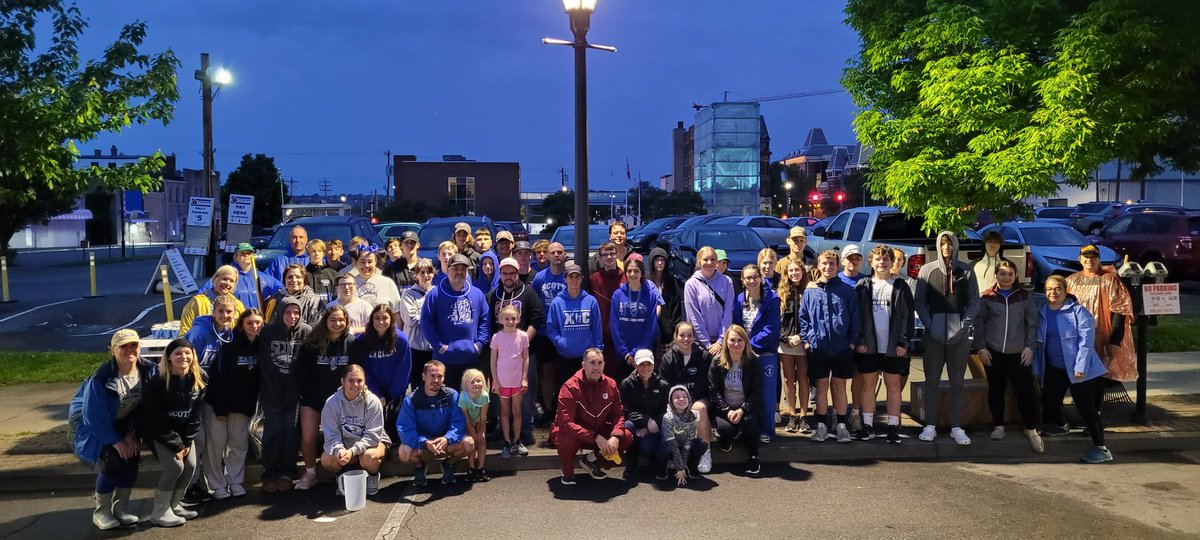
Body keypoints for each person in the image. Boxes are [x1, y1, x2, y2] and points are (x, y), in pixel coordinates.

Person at [70, 329, 154, 530]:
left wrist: (132, 433)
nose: (129, 350)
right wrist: (116, 440)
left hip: (123, 419)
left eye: (133, 345)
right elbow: (93, 417)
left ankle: (121, 508)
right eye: (122, 346)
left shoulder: (148, 370)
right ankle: (101, 512)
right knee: (112, 461)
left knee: (131, 460)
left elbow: (145, 406)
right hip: (94, 422)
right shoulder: (101, 379)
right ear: (112, 350)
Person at [1037, 275, 1113, 464]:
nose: (1053, 293)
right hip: (1055, 367)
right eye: (1049, 289)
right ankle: (1061, 426)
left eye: (1058, 289)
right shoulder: (1042, 311)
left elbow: (1085, 343)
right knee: (1049, 400)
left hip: (1082, 369)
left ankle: (1101, 448)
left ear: (1065, 290)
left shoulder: (1079, 312)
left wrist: (1080, 367)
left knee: (1087, 409)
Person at [914, 232, 979, 445]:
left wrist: (963, 325)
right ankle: (930, 425)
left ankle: (956, 427)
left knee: (957, 382)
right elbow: (920, 302)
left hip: (959, 335)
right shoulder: (927, 270)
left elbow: (973, 302)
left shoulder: (966, 270)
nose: (946, 248)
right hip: (933, 333)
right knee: (931, 381)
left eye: (950, 244)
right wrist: (929, 324)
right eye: (943, 244)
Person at [974, 259, 1043, 452]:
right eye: (1002, 274)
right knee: (996, 390)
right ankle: (998, 426)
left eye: (1010, 274)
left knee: (1025, 392)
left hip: (1019, 353)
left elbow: (1032, 323)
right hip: (993, 353)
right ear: (996, 275)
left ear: (1015, 275)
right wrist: (981, 348)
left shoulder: (1024, 296)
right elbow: (978, 324)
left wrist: (1030, 347)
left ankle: (1031, 429)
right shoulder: (987, 297)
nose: (1006, 278)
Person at [141, 338, 206, 527]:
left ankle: (174, 505)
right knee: (174, 467)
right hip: (160, 431)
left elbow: (195, 414)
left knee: (191, 465)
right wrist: (175, 444)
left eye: (187, 352)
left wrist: (186, 441)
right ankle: (159, 511)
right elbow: (154, 418)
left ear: (193, 356)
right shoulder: (157, 382)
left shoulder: (200, 377)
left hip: (183, 432)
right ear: (168, 358)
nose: (183, 357)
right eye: (177, 353)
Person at [853, 246, 915, 443]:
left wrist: (903, 342)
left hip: (892, 347)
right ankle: (869, 425)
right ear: (871, 262)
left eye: (886, 259)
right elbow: (856, 317)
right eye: (878, 259)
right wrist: (860, 341)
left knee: (893, 386)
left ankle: (892, 427)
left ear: (891, 262)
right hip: (869, 347)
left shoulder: (900, 286)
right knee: (868, 386)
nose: (882, 262)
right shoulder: (863, 285)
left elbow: (907, 317)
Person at [800, 249, 861, 443]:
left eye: (832, 264)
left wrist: (852, 342)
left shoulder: (846, 291)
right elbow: (804, 318)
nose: (828, 267)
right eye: (824, 264)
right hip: (818, 347)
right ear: (818, 265)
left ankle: (842, 425)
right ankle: (821, 426)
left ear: (837, 266)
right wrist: (808, 341)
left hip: (842, 347)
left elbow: (855, 318)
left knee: (839, 386)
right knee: (821, 386)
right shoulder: (810, 291)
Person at [551, 349, 634, 485]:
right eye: (592, 363)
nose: (596, 367)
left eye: (600, 363)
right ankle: (567, 472)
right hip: (575, 434)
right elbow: (565, 423)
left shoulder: (611, 384)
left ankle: (592, 460)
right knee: (564, 440)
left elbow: (618, 414)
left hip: (598, 431)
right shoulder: (570, 387)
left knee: (627, 436)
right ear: (583, 365)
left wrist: (616, 436)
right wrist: (595, 436)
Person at [204, 309, 263, 500]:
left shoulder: (262, 345)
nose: (254, 326)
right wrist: (221, 408)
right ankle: (216, 485)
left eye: (258, 323)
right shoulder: (230, 344)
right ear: (241, 324)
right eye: (249, 323)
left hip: (243, 406)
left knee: (238, 444)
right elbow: (219, 378)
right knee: (216, 446)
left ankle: (235, 481)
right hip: (219, 404)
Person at [294, 305, 353, 490]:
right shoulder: (311, 343)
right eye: (333, 320)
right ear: (325, 321)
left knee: (342, 437)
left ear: (346, 322)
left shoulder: (351, 342)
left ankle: (340, 473)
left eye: (341, 320)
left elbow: (355, 372)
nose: (337, 323)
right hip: (313, 399)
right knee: (308, 437)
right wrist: (312, 398)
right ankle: (310, 473)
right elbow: (301, 374)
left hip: (341, 401)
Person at [257, 297, 311, 493]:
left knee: (290, 430)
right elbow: (264, 363)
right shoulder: (268, 332)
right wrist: (270, 390)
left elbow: (307, 364)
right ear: (280, 312)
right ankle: (270, 471)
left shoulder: (306, 332)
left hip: (294, 392)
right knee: (273, 429)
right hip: (271, 390)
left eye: (296, 312)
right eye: (288, 312)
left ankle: (289, 471)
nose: (292, 316)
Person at [397, 360, 476, 487]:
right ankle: (420, 467)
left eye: (440, 376)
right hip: (423, 444)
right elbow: (404, 428)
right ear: (424, 376)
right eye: (432, 375)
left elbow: (459, 422)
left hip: (444, 442)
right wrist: (424, 442)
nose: (436, 380)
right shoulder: (411, 400)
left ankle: (448, 464)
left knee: (469, 443)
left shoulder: (452, 395)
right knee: (403, 452)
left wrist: (447, 438)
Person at [1066, 244, 1137, 383]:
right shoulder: (1070, 281)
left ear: (1099, 259)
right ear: (1079, 259)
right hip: (1077, 338)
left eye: (1093, 257)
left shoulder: (1110, 280)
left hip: (1103, 337)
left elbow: (1120, 311)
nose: (1089, 260)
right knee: (1079, 375)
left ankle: (1096, 404)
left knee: (1098, 378)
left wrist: (1115, 341)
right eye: (1086, 257)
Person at [320, 364, 390, 496]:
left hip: (373, 443)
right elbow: (331, 435)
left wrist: (352, 451)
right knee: (327, 459)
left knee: (369, 457)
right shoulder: (331, 403)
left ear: (364, 381)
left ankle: (372, 475)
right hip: (345, 444)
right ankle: (342, 477)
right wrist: (340, 450)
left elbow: (373, 436)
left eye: (359, 380)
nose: (355, 384)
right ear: (342, 381)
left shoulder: (373, 401)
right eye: (351, 380)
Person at [422, 253, 490, 388]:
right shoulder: (435, 294)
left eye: (463, 269)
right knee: (446, 400)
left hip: (470, 358)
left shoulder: (477, 294)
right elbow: (426, 322)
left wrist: (479, 344)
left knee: (470, 401)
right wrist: (439, 346)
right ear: (447, 269)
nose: (459, 272)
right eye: (455, 268)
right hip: (444, 360)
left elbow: (485, 319)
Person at [350, 304, 413, 451]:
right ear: (371, 319)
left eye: (385, 318)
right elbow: (362, 369)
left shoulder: (401, 340)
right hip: (371, 389)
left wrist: (390, 395)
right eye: (377, 318)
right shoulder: (362, 340)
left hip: (395, 390)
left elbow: (404, 370)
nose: (381, 322)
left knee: (395, 420)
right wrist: (376, 393)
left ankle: (396, 450)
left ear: (391, 319)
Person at [656, 321, 714, 473]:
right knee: (669, 415)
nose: (686, 339)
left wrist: (688, 403)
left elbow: (704, 384)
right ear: (675, 336)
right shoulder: (668, 358)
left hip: (698, 399)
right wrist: (677, 404)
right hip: (675, 402)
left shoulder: (702, 356)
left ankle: (706, 453)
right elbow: (665, 387)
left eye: (690, 335)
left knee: (699, 409)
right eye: (682, 335)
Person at [733, 264, 781, 443]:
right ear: (743, 280)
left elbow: (772, 328)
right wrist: (742, 347)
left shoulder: (772, 299)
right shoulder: (739, 299)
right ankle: (744, 428)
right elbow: (737, 325)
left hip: (765, 353)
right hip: (744, 354)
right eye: (748, 278)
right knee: (743, 393)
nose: (752, 281)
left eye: (755, 277)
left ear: (761, 278)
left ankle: (767, 430)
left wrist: (749, 345)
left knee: (767, 395)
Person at [708, 325, 763, 474]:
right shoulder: (717, 362)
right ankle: (724, 438)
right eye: (732, 340)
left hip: (746, 407)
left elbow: (757, 392)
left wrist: (742, 409)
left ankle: (753, 456)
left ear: (746, 342)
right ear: (726, 342)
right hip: (724, 408)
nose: (736, 344)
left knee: (748, 422)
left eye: (740, 340)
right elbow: (714, 391)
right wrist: (727, 410)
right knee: (726, 429)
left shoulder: (753, 361)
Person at [546, 263, 604, 392]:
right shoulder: (557, 302)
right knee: (566, 392)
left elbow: (597, 327)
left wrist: (598, 349)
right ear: (565, 279)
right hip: (564, 357)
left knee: (587, 392)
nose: (574, 280)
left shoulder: (591, 301)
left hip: (586, 358)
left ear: (581, 278)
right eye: (570, 277)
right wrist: (560, 342)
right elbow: (551, 328)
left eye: (577, 277)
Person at [489, 303, 533, 457]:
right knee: (505, 412)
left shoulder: (522, 336)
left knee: (517, 411)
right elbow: (493, 362)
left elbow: (525, 358)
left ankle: (517, 440)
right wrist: (495, 381)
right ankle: (507, 442)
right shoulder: (496, 337)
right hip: (502, 382)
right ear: (501, 319)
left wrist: (524, 378)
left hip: (517, 382)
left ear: (518, 319)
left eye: (513, 318)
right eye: (507, 318)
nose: (510, 321)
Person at [611, 257, 664, 381]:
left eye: (636, 271)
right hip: (623, 355)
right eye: (629, 271)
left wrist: (635, 352)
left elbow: (652, 327)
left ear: (642, 273)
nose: (632, 274)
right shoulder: (618, 295)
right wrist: (625, 353)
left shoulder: (651, 295)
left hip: (643, 353)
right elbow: (614, 326)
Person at [532, 242, 568, 421]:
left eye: (559, 252)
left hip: (564, 332)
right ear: (547, 255)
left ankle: (562, 409)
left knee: (563, 373)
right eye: (552, 252)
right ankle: (547, 408)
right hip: (544, 332)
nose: (556, 255)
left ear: (564, 255)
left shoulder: (569, 276)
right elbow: (535, 303)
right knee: (546, 371)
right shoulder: (540, 277)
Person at [619, 350, 669, 473]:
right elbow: (625, 409)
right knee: (627, 426)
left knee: (647, 446)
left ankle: (656, 461)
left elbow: (665, 411)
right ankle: (631, 462)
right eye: (641, 364)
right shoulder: (626, 384)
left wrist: (651, 425)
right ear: (635, 365)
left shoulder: (663, 385)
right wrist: (645, 420)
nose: (645, 368)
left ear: (654, 365)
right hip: (635, 424)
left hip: (654, 427)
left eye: (649, 364)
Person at [777, 259, 811, 434]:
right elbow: (778, 321)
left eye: (797, 270)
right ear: (786, 273)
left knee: (804, 378)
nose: (794, 274)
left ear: (802, 272)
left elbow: (812, 319)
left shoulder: (809, 291)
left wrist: (802, 337)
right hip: (785, 343)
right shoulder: (781, 293)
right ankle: (792, 415)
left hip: (803, 342)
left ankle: (804, 416)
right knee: (789, 379)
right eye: (790, 271)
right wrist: (785, 338)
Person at [684, 246, 735, 358]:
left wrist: (720, 341)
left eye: (713, 259)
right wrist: (707, 344)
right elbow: (693, 316)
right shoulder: (691, 284)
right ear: (699, 262)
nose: (709, 262)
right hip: (700, 344)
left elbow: (728, 311)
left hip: (723, 342)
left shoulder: (727, 282)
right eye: (705, 259)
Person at [656, 385, 709, 484]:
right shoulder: (667, 417)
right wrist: (680, 468)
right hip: (670, 447)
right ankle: (662, 468)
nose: (681, 399)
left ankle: (690, 465)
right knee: (662, 449)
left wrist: (682, 466)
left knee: (701, 444)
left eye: (685, 396)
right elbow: (672, 444)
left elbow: (689, 442)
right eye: (676, 397)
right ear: (671, 401)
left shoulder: (693, 415)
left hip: (684, 446)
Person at [399, 258, 436, 395]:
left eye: (429, 272)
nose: (426, 276)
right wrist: (432, 318)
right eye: (422, 272)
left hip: (433, 348)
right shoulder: (408, 294)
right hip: (415, 348)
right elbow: (411, 320)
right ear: (416, 275)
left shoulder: (437, 292)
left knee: (433, 384)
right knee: (416, 385)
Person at [590, 241, 627, 377]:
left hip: (624, 333)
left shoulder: (626, 276)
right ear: (600, 258)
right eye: (605, 254)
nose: (609, 257)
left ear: (617, 255)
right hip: (603, 334)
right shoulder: (594, 279)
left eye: (612, 253)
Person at [209, 242, 280, 310]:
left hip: (255, 319)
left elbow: (281, 290)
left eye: (249, 253)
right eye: (242, 254)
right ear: (236, 257)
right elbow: (207, 291)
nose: (246, 255)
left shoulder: (263, 278)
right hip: (234, 319)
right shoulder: (227, 276)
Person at [179, 265, 246, 335]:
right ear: (215, 279)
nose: (227, 283)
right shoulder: (197, 302)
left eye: (231, 281)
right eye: (224, 279)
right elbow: (185, 331)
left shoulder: (238, 305)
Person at [648, 247, 682, 358]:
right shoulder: (647, 282)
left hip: (667, 333)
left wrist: (673, 328)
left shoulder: (671, 281)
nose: (659, 263)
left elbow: (676, 307)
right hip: (650, 331)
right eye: (656, 260)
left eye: (662, 260)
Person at [458, 368, 491, 482]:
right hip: (467, 421)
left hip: (478, 420)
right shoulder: (463, 397)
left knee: (482, 440)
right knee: (472, 441)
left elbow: (483, 417)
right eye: (472, 382)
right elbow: (466, 419)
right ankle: (471, 467)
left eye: (478, 381)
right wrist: (473, 433)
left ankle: (481, 468)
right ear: (466, 385)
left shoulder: (484, 396)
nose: (476, 384)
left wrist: (480, 432)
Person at [354, 245, 402, 310]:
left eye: (370, 262)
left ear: (375, 263)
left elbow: (396, 311)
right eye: (362, 262)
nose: (366, 265)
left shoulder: (387, 283)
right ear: (356, 263)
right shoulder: (350, 284)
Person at [305, 239, 341, 304]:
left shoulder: (333, 275)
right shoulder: (304, 274)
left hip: (329, 311)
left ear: (323, 253)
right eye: (313, 251)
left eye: (319, 251)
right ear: (308, 253)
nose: (316, 254)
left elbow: (338, 297)